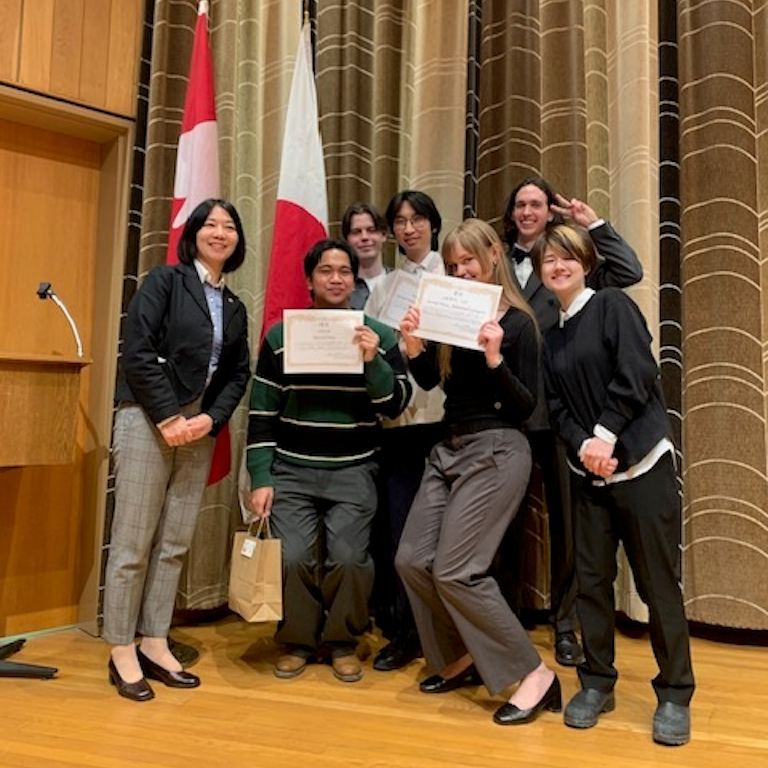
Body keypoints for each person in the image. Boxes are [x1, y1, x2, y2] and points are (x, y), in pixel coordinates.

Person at [532, 224, 694, 746]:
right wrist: (585, 445)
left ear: (585, 262)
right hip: (590, 475)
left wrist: (604, 435)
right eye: (548, 260)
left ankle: (675, 692)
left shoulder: (611, 305)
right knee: (591, 584)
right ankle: (597, 682)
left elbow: (637, 372)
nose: (558, 266)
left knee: (657, 585)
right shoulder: (552, 336)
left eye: (567, 257)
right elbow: (557, 406)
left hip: (642, 465)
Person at [395, 218, 561, 726]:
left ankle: (537, 675)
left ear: (492, 255)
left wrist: (494, 359)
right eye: (452, 265)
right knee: (412, 560)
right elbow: (431, 381)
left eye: (468, 259)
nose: (461, 270)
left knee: (458, 570)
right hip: (448, 446)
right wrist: (414, 347)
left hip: (498, 447)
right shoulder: (450, 315)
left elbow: (526, 406)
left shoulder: (519, 324)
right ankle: (462, 655)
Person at [103, 198, 251, 701]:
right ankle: (121, 648)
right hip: (149, 419)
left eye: (229, 226)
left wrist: (211, 419)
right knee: (132, 544)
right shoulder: (166, 281)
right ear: (193, 234)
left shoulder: (235, 307)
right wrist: (168, 416)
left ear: (238, 241)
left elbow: (238, 374)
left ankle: (154, 640)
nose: (220, 232)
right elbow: (138, 350)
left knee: (174, 544)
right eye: (210, 224)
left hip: (198, 429)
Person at [246, 238, 411, 683]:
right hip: (291, 469)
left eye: (344, 271)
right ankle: (298, 641)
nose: (335, 279)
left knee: (350, 558)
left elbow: (396, 404)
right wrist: (260, 476)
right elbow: (262, 413)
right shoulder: (280, 336)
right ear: (309, 280)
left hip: (355, 468)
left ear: (355, 280)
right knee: (292, 557)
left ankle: (342, 641)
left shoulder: (379, 334)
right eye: (325, 270)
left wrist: (373, 362)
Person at [497, 176, 643, 667]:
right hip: (506, 413)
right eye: (520, 204)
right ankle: (504, 623)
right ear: (511, 213)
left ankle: (565, 624)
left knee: (569, 527)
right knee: (504, 524)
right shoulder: (496, 260)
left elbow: (629, 271)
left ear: (548, 212)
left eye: (536, 204)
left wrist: (593, 225)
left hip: (561, 416)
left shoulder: (569, 264)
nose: (527, 212)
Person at [364, 190, 446, 671]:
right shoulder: (384, 287)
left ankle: (441, 632)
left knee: (437, 538)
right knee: (397, 533)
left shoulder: (452, 277)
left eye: (417, 219)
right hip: (394, 423)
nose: (409, 228)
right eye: (400, 220)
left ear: (433, 224)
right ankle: (404, 630)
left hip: (442, 421)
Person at [341, 202, 390, 310]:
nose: (364, 237)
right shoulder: (339, 288)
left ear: (383, 235)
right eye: (356, 232)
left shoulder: (400, 283)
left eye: (371, 230)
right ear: (346, 240)